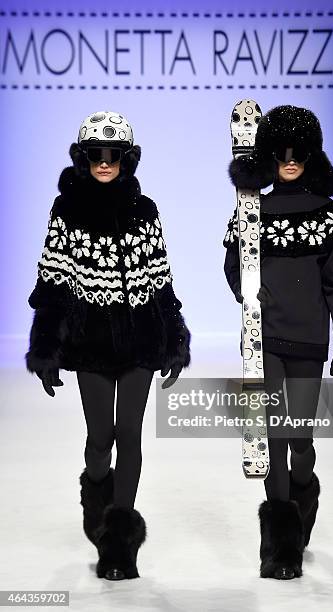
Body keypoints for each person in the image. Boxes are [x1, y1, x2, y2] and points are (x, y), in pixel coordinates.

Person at [25, 110, 191, 580]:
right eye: (95, 155)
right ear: (83, 159)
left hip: (139, 340)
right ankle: (95, 493)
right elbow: (54, 279)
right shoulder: (66, 210)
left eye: (112, 154)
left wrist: (175, 338)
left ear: (125, 159)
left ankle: (118, 546)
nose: (104, 163)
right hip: (91, 343)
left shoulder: (145, 210)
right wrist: (46, 347)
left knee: (130, 436)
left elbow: (160, 278)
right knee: (101, 441)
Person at [223, 104, 333, 580]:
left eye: (297, 151)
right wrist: (248, 294)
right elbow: (233, 266)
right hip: (265, 339)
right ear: (267, 155)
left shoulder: (326, 213)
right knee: (271, 440)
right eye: (280, 152)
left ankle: (304, 492)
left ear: (311, 153)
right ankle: (280, 544)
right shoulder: (249, 210)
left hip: (308, 339)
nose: (289, 159)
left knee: (300, 439)